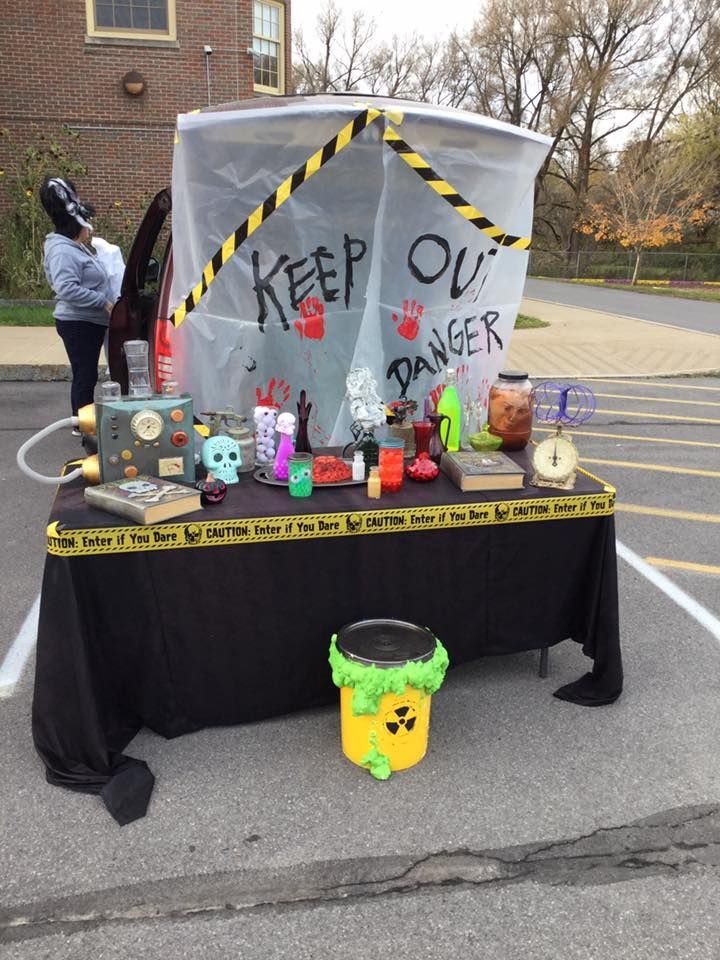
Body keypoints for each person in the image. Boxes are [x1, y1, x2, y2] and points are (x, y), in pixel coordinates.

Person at [40, 177, 115, 437]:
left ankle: (83, 422)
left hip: (87, 321)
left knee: (87, 374)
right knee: (85, 374)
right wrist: (102, 302)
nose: (90, 230)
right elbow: (66, 288)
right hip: (78, 322)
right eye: (87, 225)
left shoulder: (74, 248)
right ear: (76, 225)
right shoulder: (63, 251)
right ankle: (82, 426)